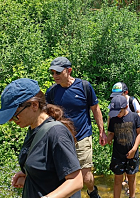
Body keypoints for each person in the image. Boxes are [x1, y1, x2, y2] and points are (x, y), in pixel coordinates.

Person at [0, 78, 83, 198]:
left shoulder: (56, 133)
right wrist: (29, 174)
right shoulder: (33, 130)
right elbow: (48, 170)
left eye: (15, 115)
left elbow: (76, 181)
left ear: (34, 105)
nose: (11, 120)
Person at [46, 57, 105, 198]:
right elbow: (47, 116)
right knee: (67, 176)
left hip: (82, 136)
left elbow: (95, 109)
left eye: (58, 73)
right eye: (53, 73)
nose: (55, 76)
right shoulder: (52, 92)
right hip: (62, 140)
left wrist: (102, 132)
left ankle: (92, 191)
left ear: (69, 71)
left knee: (86, 177)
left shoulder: (84, 86)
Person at [108, 82, 140, 195]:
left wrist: (134, 149)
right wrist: (107, 139)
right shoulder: (114, 118)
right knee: (117, 180)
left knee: (131, 177)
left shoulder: (134, 117)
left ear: (125, 107)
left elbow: (139, 133)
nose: (117, 114)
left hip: (132, 152)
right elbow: (111, 133)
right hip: (118, 154)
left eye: (119, 111)